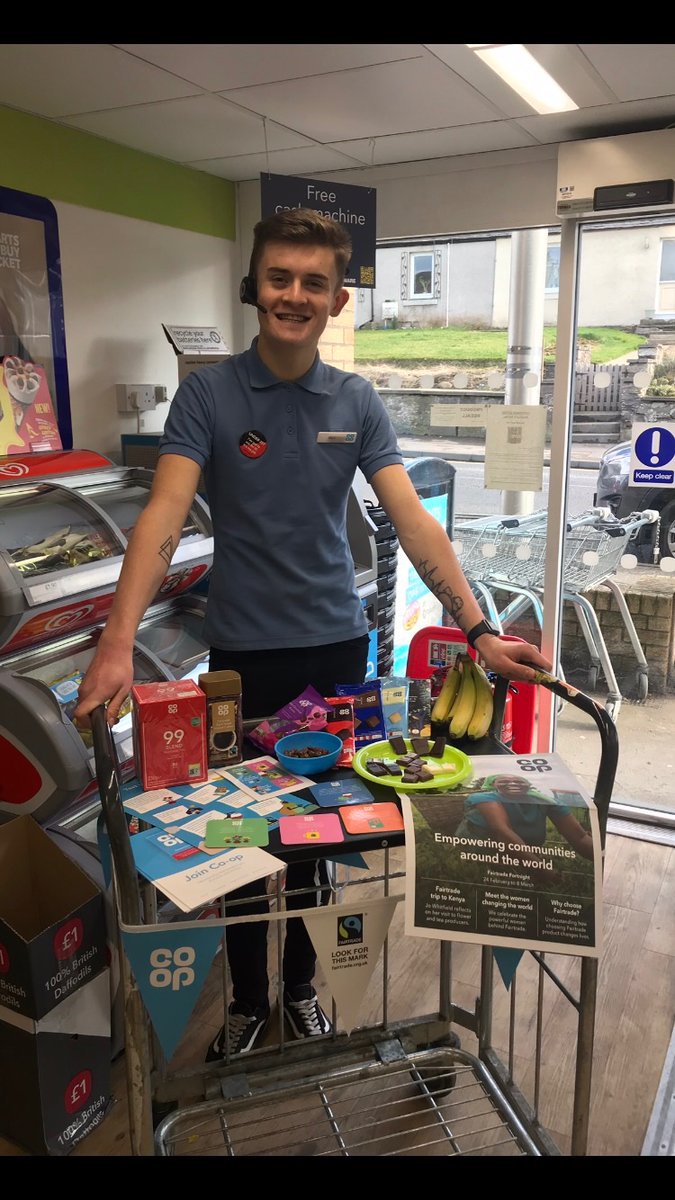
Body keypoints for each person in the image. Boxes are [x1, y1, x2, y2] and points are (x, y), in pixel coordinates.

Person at [74, 208, 552, 1058]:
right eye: (279, 278)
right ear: (254, 286)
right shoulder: (209, 395)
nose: (294, 295)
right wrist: (115, 642)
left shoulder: (356, 400)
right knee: (241, 838)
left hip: (335, 651)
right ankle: (247, 1001)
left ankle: (300, 988)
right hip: (242, 659)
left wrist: (476, 630)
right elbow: (163, 513)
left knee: (316, 839)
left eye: (314, 283)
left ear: (338, 301)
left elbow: (412, 521)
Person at [453, 773, 594, 862]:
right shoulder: (484, 798)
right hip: (481, 853)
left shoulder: (545, 801)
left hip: (523, 851)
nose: (513, 783)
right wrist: (540, 869)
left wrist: (598, 858)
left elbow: (579, 837)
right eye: (504, 781)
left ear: (529, 785)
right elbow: (503, 831)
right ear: (493, 784)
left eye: (518, 781)